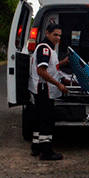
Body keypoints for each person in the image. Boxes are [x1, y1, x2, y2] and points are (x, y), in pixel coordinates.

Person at [29, 23, 69, 160]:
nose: (58, 38)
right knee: (47, 120)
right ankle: (46, 151)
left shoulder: (49, 49)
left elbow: (51, 67)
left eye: (59, 35)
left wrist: (62, 62)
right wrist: (59, 84)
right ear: (47, 33)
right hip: (44, 89)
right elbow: (42, 71)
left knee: (39, 118)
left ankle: (36, 147)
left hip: (41, 89)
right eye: (55, 34)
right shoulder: (45, 48)